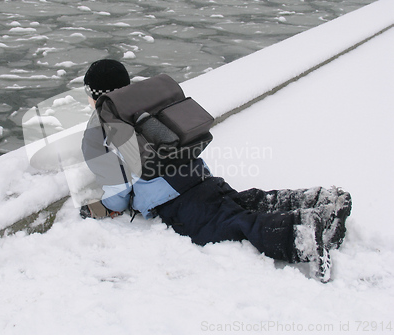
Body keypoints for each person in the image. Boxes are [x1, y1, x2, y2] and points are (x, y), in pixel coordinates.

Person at [80, 59, 352, 283]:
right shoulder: (142, 101)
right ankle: (320, 200)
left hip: (173, 198)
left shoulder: (98, 131)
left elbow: (118, 188)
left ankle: (304, 232)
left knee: (230, 224)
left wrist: (104, 207)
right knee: (242, 203)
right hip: (199, 174)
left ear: (94, 96)